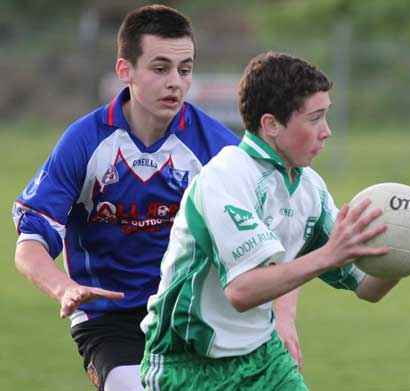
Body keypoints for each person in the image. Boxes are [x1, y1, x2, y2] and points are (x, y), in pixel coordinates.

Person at [139, 51, 410, 391]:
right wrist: (329, 255)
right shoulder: (226, 178)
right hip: (189, 365)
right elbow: (242, 290)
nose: (326, 132)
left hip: (261, 356)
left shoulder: (308, 188)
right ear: (271, 125)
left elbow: (366, 287)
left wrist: (403, 252)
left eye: (326, 117)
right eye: (315, 118)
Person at [11, 5, 245, 391]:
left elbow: (266, 229)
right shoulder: (86, 141)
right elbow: (31, 242)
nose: (175, 82)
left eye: (184, 70)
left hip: (189, 314)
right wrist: (64, 288)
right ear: (126, 71)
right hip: (109, 317)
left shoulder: (215, 147)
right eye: (160, 68)